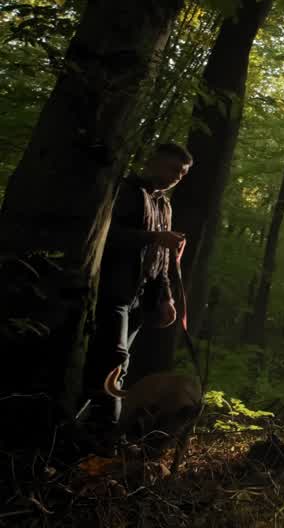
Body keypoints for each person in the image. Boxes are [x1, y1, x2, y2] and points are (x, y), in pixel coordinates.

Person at [81, 142, 192, 437]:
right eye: (172, 168)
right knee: (114, 359)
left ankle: (96, 427)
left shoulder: (164, 205)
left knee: (121, 364)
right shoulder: (127, 191)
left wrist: (166, 297)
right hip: (114, 289)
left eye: (181, 173)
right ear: (153, 162)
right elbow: (108, 236)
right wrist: (155, 236)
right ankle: (102, 431)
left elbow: (163, 257)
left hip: (140, 297)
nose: (176, 176)